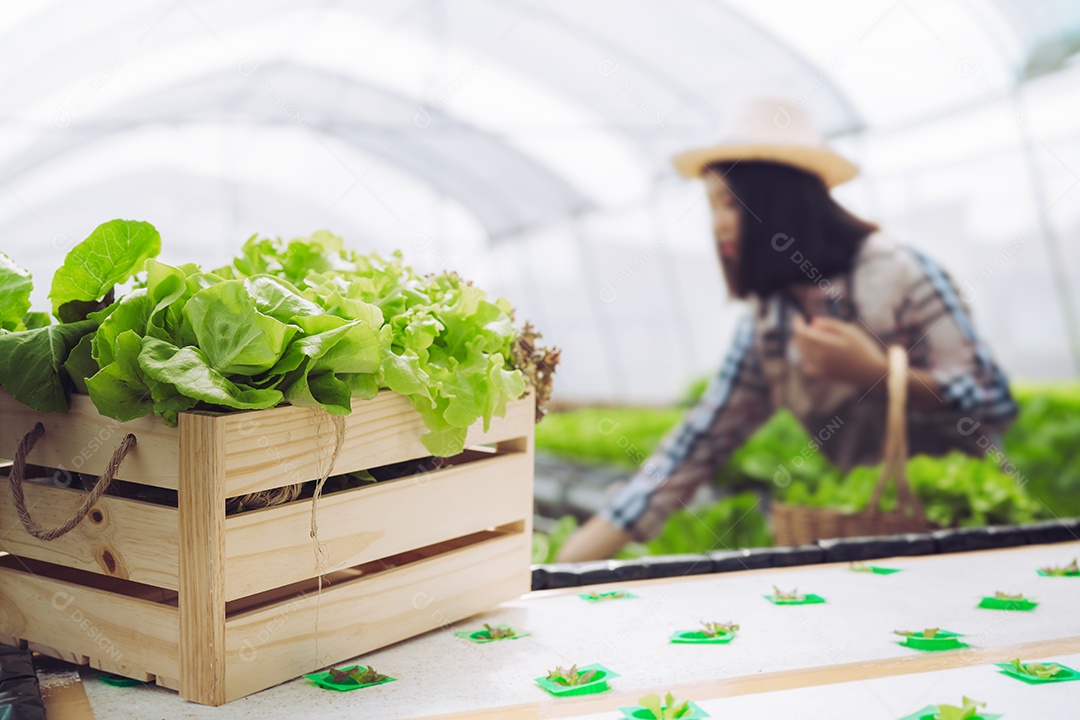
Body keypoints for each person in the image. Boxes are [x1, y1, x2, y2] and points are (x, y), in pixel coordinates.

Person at [557, 98, 1017, 562]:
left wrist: (873, 370)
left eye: (729, 204)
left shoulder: (900, 273)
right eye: (712, 207)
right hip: (873, 531)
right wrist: (566, 564)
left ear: (776, 202)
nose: (717, 227)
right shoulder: (770, 319)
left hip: (963, 533)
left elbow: (992, 399)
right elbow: (698, 444)